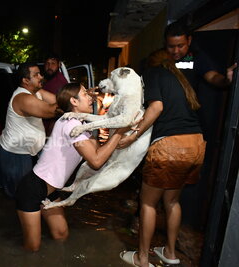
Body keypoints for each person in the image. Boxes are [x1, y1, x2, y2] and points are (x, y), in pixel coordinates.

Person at [15, 82, 133, 252]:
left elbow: (97, 150)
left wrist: (98, 120)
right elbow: (96, 161)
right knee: (32, 248)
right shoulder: (70, 124)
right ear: (74, 101)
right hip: (32, 189)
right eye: (85, 94)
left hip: (51, 190)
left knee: (61, 234)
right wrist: (121, 131)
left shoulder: (81, 127)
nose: (91, 97)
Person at [118, 49, 206, 267]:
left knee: (147, 203)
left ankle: (142, 258)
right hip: (196, 143)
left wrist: (132, 137)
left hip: (170, 146)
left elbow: (156, 107)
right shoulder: (180, 79)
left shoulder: (153, 73)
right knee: (172, 201)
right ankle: (170, 252)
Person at [164, 21, 237, 227]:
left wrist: (228, 80)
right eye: (171, 46)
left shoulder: (195, 58)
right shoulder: (158, 60)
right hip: (161, 129)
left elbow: (213, 77)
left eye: (180, 46)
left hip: (187, 130)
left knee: (182, 184)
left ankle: (182, 226)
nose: (176, 51)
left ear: (189, 41)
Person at [0, 62, 58, 198]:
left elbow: (57, 100)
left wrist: (78, 97)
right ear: (25, 80)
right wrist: (75, 100)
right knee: (20, 196)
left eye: (40, 73)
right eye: (36, 75)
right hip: (15, 154)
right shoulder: (23, 98)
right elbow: (50, 111)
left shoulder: (37, 92)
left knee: (33, 192)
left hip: (30, 151)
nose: (41, 76)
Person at [42, 53, 69, 136]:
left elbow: (60, 109)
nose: (49, 67)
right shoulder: (47, 79)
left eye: (53, 63)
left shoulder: (59, 82)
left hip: (49, 129)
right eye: (47, 63)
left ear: (59, 65)